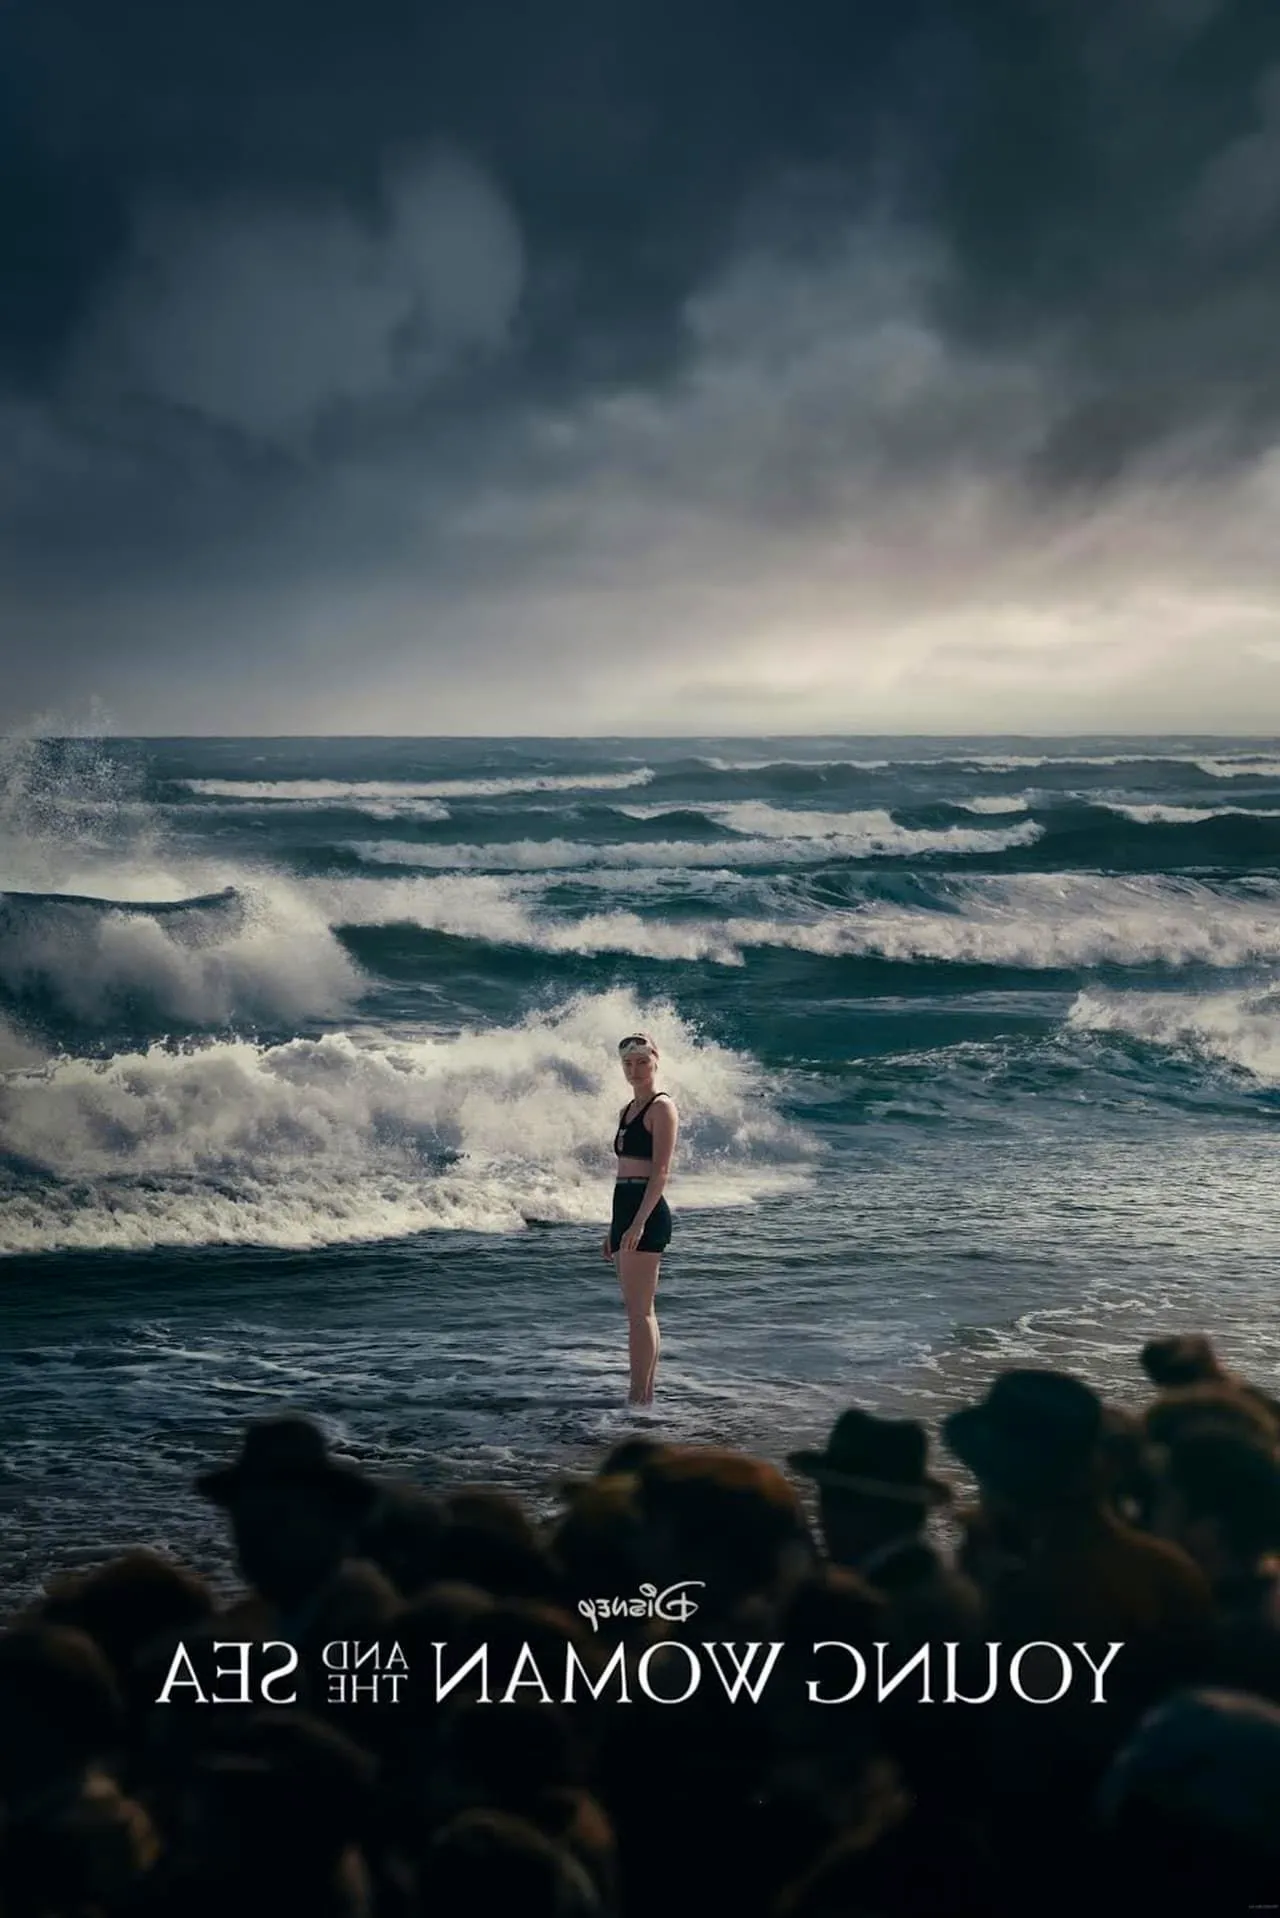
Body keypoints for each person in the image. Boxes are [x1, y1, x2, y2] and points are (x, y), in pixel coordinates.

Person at [601, 1033, 678, 1406]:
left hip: (646, 1210)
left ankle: (638, 1398)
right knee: (640, 1311)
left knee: (639, 1313)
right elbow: (622, 1171)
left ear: (654, 1062)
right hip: (625, 1208)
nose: (634, 1070)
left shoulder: (662, 1108)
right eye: (628, 1064)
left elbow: (660, 1171)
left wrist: (637, 1224)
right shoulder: (626, 1110)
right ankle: (645, 1395)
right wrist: (614, 1227)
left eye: (641, 1062)